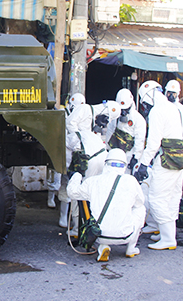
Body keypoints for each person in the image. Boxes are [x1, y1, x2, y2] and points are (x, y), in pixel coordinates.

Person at [134, 80, 183, 250]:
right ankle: (168, 233)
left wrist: (143, 164)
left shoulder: (158, 110)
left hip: (165, 160)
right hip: (180, 159)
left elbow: (153, 142)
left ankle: (167, 238)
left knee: (157, 198)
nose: (145, 106)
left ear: (149, 95)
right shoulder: (175, 107)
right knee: (172, 197)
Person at [67, 148, 145, 261]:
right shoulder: (131, 181)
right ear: (124, 165)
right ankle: (131, 248)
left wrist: (77, 175)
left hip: (97, 236)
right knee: (140, 208)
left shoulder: (93, 181)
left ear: (106, 164)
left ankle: (103, 247)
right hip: (125, 235)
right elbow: (139, 202)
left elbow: (72, 193)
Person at [58, 100, 107, 233]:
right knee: (95, 192)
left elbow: (67, 158)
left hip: (89, 164)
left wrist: (71, 173)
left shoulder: (71, 138)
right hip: (103, 161)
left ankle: (77, 229)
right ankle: (95, 222)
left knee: (77, 192)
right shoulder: (91, 134)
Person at [106, 88, 147, 173]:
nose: (123, 112)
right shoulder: (115, 117)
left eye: (125, 110)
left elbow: (140, 140)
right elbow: (110, 132)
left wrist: (136, 157)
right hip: (114, 154)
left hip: (128, 156)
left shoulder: (138, 119)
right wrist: (107, 149)